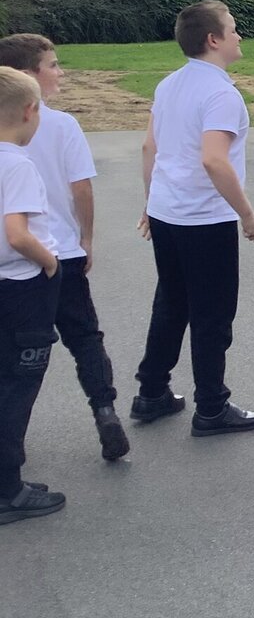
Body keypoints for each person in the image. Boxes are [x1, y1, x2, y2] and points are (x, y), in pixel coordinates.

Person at [134, 0, 254, 436]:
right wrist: (247, 215)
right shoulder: (220, 94)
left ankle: (152, 392)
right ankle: (211, 407)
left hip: (168, 212)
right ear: (213, 40)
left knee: (171, 303)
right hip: (203, 219)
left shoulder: (169, 84)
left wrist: (151, 203)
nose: (239, 35)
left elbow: (149, 149)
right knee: (212, 314)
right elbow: (215, 160)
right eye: (233, 29)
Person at [0, 34, 128, 461]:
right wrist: (85, 237)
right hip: (56, 252)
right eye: (52, 65)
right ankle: (105, 409)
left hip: (11, 266)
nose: (60, 72)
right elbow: (81, 189)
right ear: (28, 76)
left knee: (15, 353)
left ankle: (11, 438)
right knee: (85, 337)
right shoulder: (61, 124)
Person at [0, 66, 66, 524]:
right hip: (23, 287)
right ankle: (9, 489)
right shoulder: (18, 164)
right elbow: (17, 233)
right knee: (19, 385)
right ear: (29, 111)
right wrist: (48, 260)